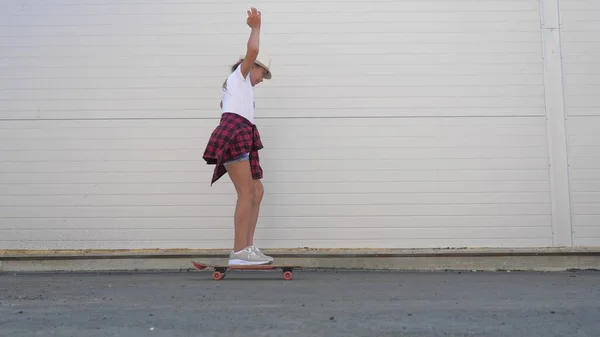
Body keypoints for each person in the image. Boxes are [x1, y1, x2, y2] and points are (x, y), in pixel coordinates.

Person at [202, 7, 273, 266]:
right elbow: (252, 52)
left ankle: (248, 247)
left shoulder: (239, 89)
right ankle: (238, 252)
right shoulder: (238, 77)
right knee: (245, 192)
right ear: (250, 67)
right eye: (261, 74)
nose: (261, 80)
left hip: (244, 133)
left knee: (257, 189)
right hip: (236, 133)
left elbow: (226, 108)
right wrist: (255, 27)